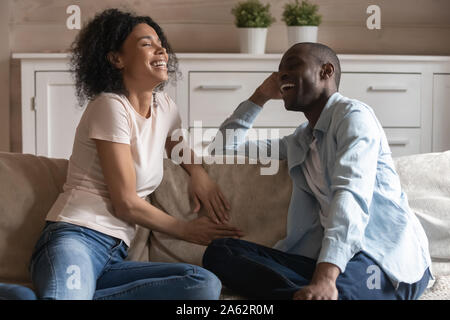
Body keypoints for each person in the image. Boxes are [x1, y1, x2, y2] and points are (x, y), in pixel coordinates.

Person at [22, 8, 243, 300]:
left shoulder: (165, 107)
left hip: (115, 255)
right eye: (146, 43)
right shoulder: (110, 106)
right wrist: (186, 230)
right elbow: (126, 203)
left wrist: (198, 173)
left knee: (202, 285)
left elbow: (177, 147)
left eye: (160, 42)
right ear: (117, 59)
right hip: (75, 238)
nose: (161, 48)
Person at [202, 42, 432, 300]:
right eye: (279, 71)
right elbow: (222, 147)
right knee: (221, 252)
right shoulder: (300, 140)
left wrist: (325, 279)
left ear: (326, 71)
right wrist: (260, 96)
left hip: (382, 259)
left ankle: (322, 290)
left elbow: (350, 195)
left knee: (337, 291)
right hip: (326, 261)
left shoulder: (354, 117)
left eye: (292, 65)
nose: (282, 75)